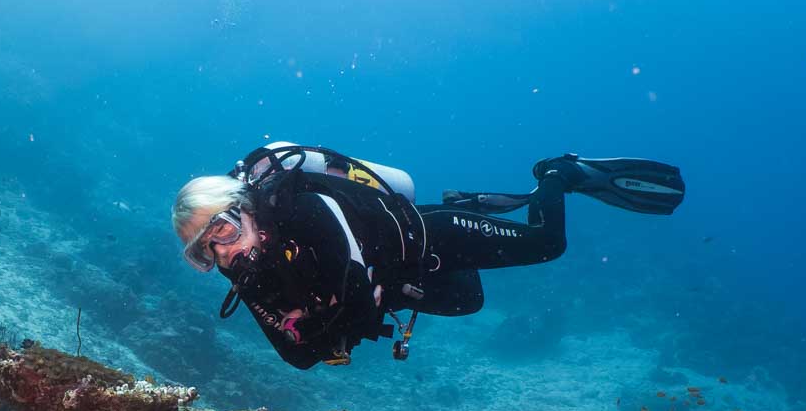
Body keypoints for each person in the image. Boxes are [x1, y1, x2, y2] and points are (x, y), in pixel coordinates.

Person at [172, 143, 684, 368]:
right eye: (204, 250)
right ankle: (474, 204)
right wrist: (330, 319)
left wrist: (324, 317)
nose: (223, 251)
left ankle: (561, 173)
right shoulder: (244, 273)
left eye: (222, 228)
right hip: (408, 277)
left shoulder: (306, 208)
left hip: (431, 236)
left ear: (247, 209)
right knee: (469, 303)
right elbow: (301, 358)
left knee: (548, 245)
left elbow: (354, 301)